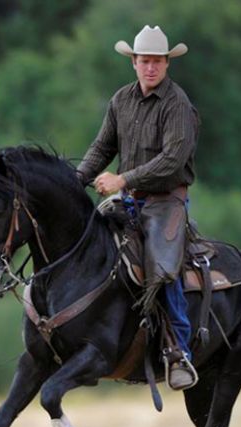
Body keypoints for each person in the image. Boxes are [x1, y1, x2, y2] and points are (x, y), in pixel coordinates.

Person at [76, 25, 200, 391]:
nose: (151, 67)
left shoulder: (177, 105)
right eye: (144, 60)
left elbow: (173, 161)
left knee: (162, 264)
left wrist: (123, 179)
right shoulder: (120, 101)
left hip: (166, 199)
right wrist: (75, 181)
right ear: (133, 62)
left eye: (157, 61)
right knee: (88, 246)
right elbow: (102, 148)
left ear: (166, 64)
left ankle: (178, 350)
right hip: (128, 200)